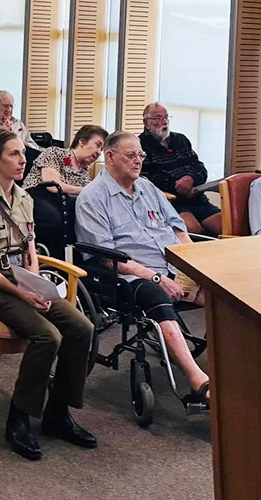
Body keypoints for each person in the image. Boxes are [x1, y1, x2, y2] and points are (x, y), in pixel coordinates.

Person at [0, 129, 95, 461]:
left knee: (82, 328)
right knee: (48, 336)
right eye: (14, 154)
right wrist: (21, 291)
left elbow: (30, 250)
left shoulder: (24, 198)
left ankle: (57, 413)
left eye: (23, 153)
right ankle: (18, 418)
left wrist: (35, 284)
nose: (23, 160)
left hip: (23, 281)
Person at [75, 131, 210, 401]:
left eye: (140, 155)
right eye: (131, 155)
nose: (138, 160)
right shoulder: (92, 197)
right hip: (129, 275)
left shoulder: (147, 187)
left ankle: (231, 363)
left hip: (172, 264)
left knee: (222, 295)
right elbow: (107, 257)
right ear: (110, 157)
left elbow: (177, 227)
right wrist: (156, 277)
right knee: (156, 296)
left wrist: (194, 263)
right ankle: (197, 380)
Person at [23, 125, 107, 259]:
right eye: (97, 145)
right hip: (37, 195)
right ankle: (50, 260)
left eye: (101, 149)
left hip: (65, 204)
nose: (98, 152)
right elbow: (53, 186)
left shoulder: (84, 174)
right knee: (55, 221)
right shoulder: (54, 152)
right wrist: (87, 190)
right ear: (82, 142)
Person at [139, 102, 221, 236]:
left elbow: (199, 168)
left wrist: (191, 179)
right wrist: (179, 186)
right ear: (146, 123)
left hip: (197, 199)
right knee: (193, 229)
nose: (164, 122)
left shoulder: (180, 140)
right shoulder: (140, 146)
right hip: (170, 202)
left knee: (225, 226)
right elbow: (147, 180)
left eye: (166, 117)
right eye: (158, 118)